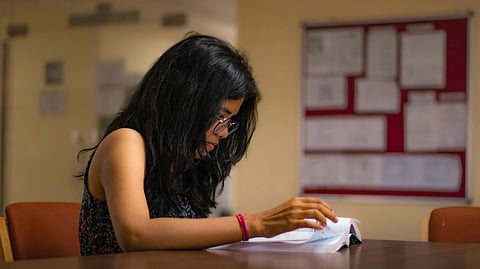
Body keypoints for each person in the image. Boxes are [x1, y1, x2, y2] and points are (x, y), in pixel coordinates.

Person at [78, 32, 337, 256]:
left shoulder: (184, 161)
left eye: (230, 120)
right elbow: (136, 235)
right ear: (185, 102)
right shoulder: (126, 142)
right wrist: (255, 224)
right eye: (220, 116)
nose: (224, 133)